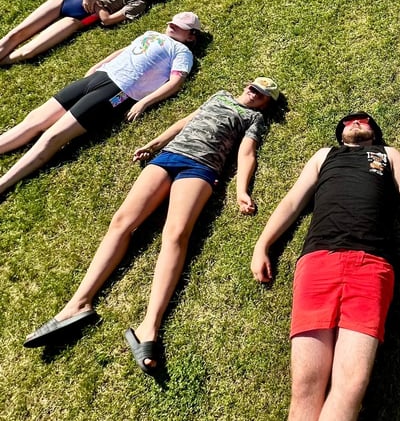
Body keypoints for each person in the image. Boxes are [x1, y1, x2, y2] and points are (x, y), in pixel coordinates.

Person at [23, 78, 280, 375]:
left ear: (266, 104)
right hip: (168, 157)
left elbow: (246, 153)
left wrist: (241, 191)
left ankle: (149, 327)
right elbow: (186, 121)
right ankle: (78, 305)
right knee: (121, 223)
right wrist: (155, 143)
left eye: (261, 94)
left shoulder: (253, 118)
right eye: (253, 87)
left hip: (201, 167)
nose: (253, 93)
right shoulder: (219, 95)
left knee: (176, 235)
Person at [251, 112, 400, 420]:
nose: (355, 122)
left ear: (374, 131)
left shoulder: (388, 155)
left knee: (352, 385)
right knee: (305, 385)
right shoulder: (323, 156)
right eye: (348, 121)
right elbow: (292, 202)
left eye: (363, 120)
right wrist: (262, 245)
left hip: (371, 266)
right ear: (340, 133)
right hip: (317, 263)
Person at [0, 12, 201, 195]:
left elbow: (176, 82)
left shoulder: (183, 52)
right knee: (34, 120)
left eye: (180, 26)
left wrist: (145, 102)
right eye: (172, 22)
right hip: (99, 76)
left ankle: (4, 183)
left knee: (54, 136)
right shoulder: (151, 34)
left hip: (120, 93)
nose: (172, 25)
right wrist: (97, 66)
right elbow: (125, 50)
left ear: (191, 36)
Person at [0, 0, 173, 65]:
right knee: (17, 33)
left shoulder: (138, 3)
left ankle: (4, 62)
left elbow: (108, 20)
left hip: (78, 18)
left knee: (28, 52)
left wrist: (97, 5)